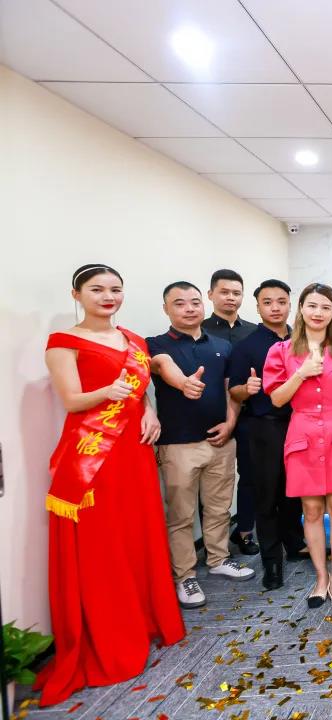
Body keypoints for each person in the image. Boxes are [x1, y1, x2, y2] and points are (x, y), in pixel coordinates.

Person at [35, 265, 185, 707]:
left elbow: (140, 392)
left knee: (136, 535)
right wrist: (108, 393)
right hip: (93, 458)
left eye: (115, 289)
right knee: (102, 545)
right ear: (76, 295)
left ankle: (144, 620)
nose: (108, 296)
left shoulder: (134, 341)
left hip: (132, 452)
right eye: (96, 289)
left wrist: (149, 411)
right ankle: (110, 633)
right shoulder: (64, 342)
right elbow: (71, 400)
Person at [148, 281, 254, 610]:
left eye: (194, 302)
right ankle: (185, 575)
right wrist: (184, 383)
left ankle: (219, 559)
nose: (189, 308)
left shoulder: (221, 345)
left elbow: (231, 389)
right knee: (181, 514)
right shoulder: (155, 344)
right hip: (178, 444)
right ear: (166, 309)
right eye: (179, 303)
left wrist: (230, 423)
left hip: (220, 440)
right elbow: (161, 365)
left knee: (219, 507)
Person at [265, 283, 332, 613]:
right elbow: (276, 398)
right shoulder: (281, 350)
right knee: (310, 510)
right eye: (312, 305)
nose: (318, 312)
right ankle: (320, 578)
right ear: (301, 309)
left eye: (325, 307)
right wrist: (301, 374)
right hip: (303, 433)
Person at [227, 279, 306, 590]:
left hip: (300, 423)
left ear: (290, 305)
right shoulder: (246, 346)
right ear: (258, 306)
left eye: (281, 301)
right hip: (265, 426)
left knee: (295, 491)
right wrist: (245, 390)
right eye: (268, 302)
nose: (275, 308)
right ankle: (272, 562)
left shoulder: (302, 341)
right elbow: (234, 391)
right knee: (268, 495)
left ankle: (295, 543)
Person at [202, 268, 260, 557]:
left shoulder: (253, 331)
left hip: (250, 415)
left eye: (236, 293)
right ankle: (213, 541)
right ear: (210, 294)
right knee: (212, 484)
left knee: (250, 476)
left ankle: (245, 530)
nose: (230, 298)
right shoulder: (200, 331)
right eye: (224, 292)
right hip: (213, 417)